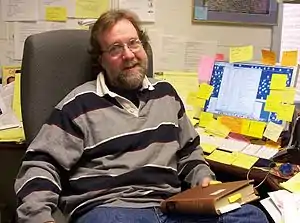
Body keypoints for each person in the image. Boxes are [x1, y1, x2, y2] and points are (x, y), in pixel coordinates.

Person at [14, 9, 269, 223]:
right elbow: (41, 165)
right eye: (115, 48)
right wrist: (38, 217)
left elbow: (189, 154)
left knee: (251, 216)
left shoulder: (166, 95)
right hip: (111, 210)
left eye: (134, 43)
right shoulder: (79, 104)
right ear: (101, 60)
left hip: (171, 208)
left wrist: (204, 179)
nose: (128, 54)